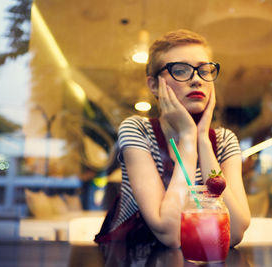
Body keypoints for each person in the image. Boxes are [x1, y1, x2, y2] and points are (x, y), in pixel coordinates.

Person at [95, 29, 250, 248]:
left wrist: (203, 140)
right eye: (180, 70)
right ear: (154, 85)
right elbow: (170, 234)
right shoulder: (137, 130)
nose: (196, 79)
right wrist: (188, 138)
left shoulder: (223, 141)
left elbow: (235, 231)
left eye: (204, 70)